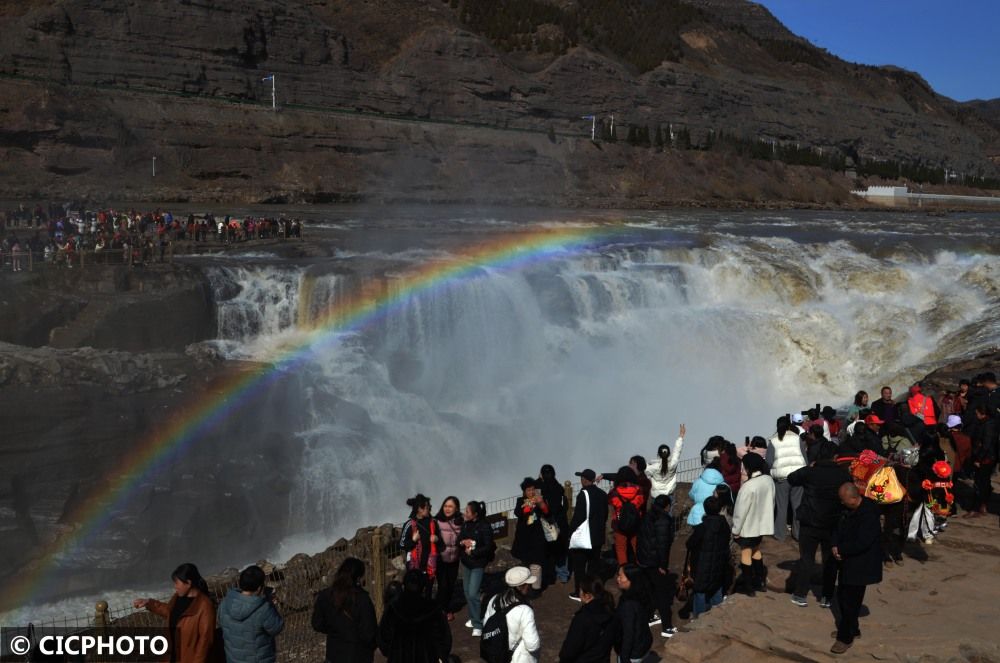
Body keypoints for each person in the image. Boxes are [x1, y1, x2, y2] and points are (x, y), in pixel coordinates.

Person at [787, 441, 851, 608]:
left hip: (810, 521)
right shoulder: (843, 475)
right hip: (833, 523)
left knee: (807, 558)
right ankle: (826, 597)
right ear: (836, 457)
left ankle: (800, 594)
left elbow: (791, 478)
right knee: (830, 561)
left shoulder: (810, 472)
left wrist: (810, 466)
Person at [830, 483, 883, 655]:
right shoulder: (847, 509)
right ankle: (852, 629)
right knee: (843, 596)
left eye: (844, 500)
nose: (841, 503)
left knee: (850, 601)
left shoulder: (869, 515)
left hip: (862, 563)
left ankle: (845, 638)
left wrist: (842, 550)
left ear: (853, 498)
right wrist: (835, 546)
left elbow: (863, 542)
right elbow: (837, 528)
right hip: (848, 560)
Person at [133, 563, 217, 663]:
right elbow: (169, 612)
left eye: (177, 583)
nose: (175, 587)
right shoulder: (177, 597)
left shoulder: (205, 606)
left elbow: (205, 643)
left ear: (188, 583)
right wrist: (149, 603)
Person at [311, 557, 377, 663]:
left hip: (333, 654)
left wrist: (335, 631)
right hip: (358, 655)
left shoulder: (325, 595)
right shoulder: (362, 599)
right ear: (358, 578)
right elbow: (369, 634)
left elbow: (317, 624)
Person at [378, 570, 452, 663]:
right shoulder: (433, 608)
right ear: (423, 587)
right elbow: (444, 638)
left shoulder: (393, 608)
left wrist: (394, 653)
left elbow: (384, 637)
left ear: (404, 586)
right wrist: (440, 655)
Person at [217, 565, 284, 663]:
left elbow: (220, 621)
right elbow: (277, 627)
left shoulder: (225, 603)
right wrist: (268, 601)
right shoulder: (263, 608)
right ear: (259, 588)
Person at [731, 453, 775, 596]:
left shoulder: (748, 487)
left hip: (748, 527)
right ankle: (760, 582)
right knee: (756, 550)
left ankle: (749, 587)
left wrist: (736, 530)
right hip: (761, 526)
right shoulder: (768, 480)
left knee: (746, 553)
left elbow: (740, 512)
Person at [636, 494, 677, 637]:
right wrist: (663, 566)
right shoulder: (664, 520)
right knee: (662, 594)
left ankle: (649, 617)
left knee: (649, 591)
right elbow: (663, 546)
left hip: (644, 560)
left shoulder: (647, 516)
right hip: (655, 562)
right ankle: (667, 627)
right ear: (667, 506)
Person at [482, 566, 541, 663]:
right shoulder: (525, 610)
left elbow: (486, 623)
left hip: (497, 654)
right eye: (529, 584)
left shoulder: (495, 600)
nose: (530, 586)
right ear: (523, 586)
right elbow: (532, 645)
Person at [567, 469, 608, 602]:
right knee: (593, 566)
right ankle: (592, 590)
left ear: (585, 480)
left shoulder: (583, 495)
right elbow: (605, 514)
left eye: (582, 478)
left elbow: (578, 517)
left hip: (584, 538)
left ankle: (581, 592)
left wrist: (570, 532)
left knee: (579, 566)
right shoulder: (602, 494)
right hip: (597, 536)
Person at [686, 496, 731, 618]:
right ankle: (717, 616)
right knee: (716, 588)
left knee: (700, 591)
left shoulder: (702, 527)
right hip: (719, 563)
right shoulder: (724, 525)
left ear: (705, 509)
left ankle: (699, 619)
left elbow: (690, 544)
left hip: (702, 565)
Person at [557, 575, 616, 663]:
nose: (579, 593)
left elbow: (570, 649)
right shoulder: (610, 612)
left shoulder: (582, 618)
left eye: (580, 590)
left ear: (587, 595)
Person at [767, 415, 806, 541]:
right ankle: (798, 534)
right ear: (790, 425)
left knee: (781, 506)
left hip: (782, 478)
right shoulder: (796, 438)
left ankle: (780, 534)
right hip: (798, 475)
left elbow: (769, 462)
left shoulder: (773, 440)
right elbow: (804, 457)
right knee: (797, 505)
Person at [459, 500, 495, 637]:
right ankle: (474, 618)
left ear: (474, 515)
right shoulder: (466, 524)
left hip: (478, 564)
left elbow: (488, 546)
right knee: (467, 592)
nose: (464, 513)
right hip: (467, 563)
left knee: (473, 593)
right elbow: (459, 539)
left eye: (467, 511)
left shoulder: (484, 526)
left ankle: (478, 625)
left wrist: (473, 553)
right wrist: (463, 542)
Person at [511, 478, 548, 591]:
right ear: (524, 491)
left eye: (533, 489)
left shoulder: (540, 499)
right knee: (526, 563)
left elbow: (547, 512)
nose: (531, 492)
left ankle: (535, 589)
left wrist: (541, 503)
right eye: (528, 490)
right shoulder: (520, 501)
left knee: (536, 565)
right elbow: (518, 513)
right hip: (524, 538)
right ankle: (525, 588)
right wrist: (529, 506)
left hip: (537, 537)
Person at [613, 564, 654, 663]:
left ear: (631, 579)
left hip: (632, 652)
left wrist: (624, 658)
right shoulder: (642, 593)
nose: (617, 579)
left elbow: (628, 633)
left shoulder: (628, 605)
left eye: (621, 576)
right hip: (643, 644)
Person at [537, 464, 570, 585]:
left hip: (547, 525)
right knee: (561, 551)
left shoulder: (541, 489)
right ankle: (563, 575)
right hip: (561, 524)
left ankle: (550, 576)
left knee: (548, 551)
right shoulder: (559, 488)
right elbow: (565, 506)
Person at [400, 494, 438, 596]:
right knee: (415, 592)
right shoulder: (409, 524)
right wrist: (413, 540)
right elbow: (402, 544)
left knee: (428, 590)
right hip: (415, 565)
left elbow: (440, 540)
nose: (430, 508)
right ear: (420, 509)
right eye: (427, 507)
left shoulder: (433, 522)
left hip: (430, 564)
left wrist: (437, 539)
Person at [608, 467, 645, 565]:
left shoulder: (614, 492)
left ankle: (623, 572)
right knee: (637, 547)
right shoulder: (639, 490)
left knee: (621, 549)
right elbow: (640, 502)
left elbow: (613, 504)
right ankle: (641, 570)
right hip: (636, 522)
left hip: (619, 522)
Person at [434, 496, 463, 620]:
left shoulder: (461, 521)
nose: (447, 509)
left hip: (454, 559)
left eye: (450, 506)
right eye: (445, 506)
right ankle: (441, 611)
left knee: (451, 585)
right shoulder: (436, 521)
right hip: (441, 558)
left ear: (456, 508)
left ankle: (446, 608)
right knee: (443, 585)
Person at [966, 404, 997, 518]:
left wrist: (979, 458)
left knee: (979, 483)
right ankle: (982, 505)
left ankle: (975, 508)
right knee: (984, 482)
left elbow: (986, 444)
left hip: (985, 458)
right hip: (987, 457)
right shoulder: (988, 423)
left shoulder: (988, 425)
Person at [645, 424, 686, 499]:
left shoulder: (653, 467)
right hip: (669, 494)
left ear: (658, 454)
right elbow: (677, 451)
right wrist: (681, 436)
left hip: (656, 495)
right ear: (669, 453)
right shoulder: (673, 464)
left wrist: (648, 464)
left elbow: (645, 469)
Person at [686, 463, 727, 527]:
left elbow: (691, 495)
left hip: (698, 514)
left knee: (698, 534)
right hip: (718, 514)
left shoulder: (698, 482)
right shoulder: (723, 485)